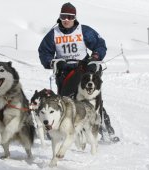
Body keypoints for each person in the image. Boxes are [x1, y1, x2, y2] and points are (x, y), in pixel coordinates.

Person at [38, 2, 118, 142]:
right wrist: (52, 61)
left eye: (70, 16)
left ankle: (106, 130)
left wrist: (95, 57)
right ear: (60, 17)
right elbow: (44, 52)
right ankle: (59, 131)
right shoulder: (53, 34)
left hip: (83, 70)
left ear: (75, 17)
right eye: (64, 16)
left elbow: (100, 45)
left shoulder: (84, 31)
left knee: (92, 102)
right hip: (64, 73)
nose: (67, 20)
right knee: (66, 103)